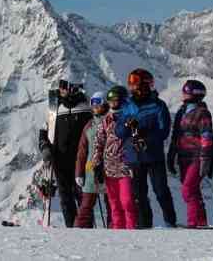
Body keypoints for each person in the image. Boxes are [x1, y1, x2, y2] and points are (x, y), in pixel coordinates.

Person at [117, 68, 177, 228]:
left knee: (160, 190)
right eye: (130, 85)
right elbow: (119, 132)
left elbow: (163, 131)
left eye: (134, 84)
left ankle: (170, 221)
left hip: (153, 155)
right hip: (134, 157)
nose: (131, 88)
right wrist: (127, 124)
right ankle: (144, 225)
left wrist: (144, 132)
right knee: (138, 194)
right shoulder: (127, 106)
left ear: (144, 85)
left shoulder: (158, 105)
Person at [38, 79, 93, 227]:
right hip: (60, 160)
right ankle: (71, 228)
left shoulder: (86, 108)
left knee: (83, 196)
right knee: (65, 196)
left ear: (74, 87)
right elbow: (44, 132)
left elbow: (93, 132)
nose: (62, 89)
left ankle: (86, 229)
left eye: (65, 86)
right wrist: (45, 148)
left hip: (81, 160)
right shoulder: (54, 109)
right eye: (61, 86)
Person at [167, 80, 213, 228]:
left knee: (188, 189)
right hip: (183, 156)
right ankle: (201, 222)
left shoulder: (202, 113)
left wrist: (206, 157)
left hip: (197, 156)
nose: (183, 94)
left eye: (186, 91)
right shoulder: (182, 111)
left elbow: (206, 135)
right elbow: (176, 134)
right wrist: (171, 154)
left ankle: (193, 223)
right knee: (193, 190)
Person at [92, 86, 138, 229]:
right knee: (114, 201)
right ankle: (117, 228)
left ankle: (131, 226)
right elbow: (98, 142)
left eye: (116, 101)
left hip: (125, 165)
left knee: (127, 200)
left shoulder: (131, 118)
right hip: (109, 166)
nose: (113, 104)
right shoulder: (106, 120)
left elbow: (137, 138)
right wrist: (96, 164)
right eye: (110, 101)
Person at [74, 92, 111, 228]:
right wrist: (79, 172)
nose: (95, 106)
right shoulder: (89, 125)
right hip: (90, 170)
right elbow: (82, 151)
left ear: (105, 103)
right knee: (86, 205)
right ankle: (80, 232)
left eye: (98, 102)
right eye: (93, 103)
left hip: (108, 168)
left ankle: (115, 232)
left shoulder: (111, 121)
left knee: (112, 205)